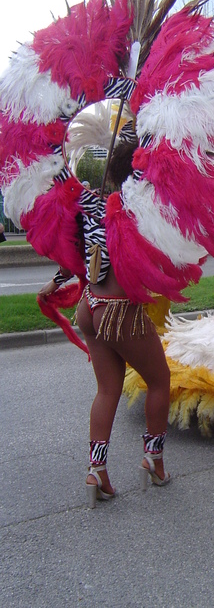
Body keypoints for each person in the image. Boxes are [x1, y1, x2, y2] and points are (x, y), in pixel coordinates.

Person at [38, 142, 171, 508]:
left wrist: (56, 281)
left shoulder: (86, 200)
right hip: (119, 309)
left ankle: (96, 470)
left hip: (89, 305)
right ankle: (154, 461)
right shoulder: (139, 206)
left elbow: (75, 244)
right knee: (160, 381)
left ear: (111, 169)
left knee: (107, 391)